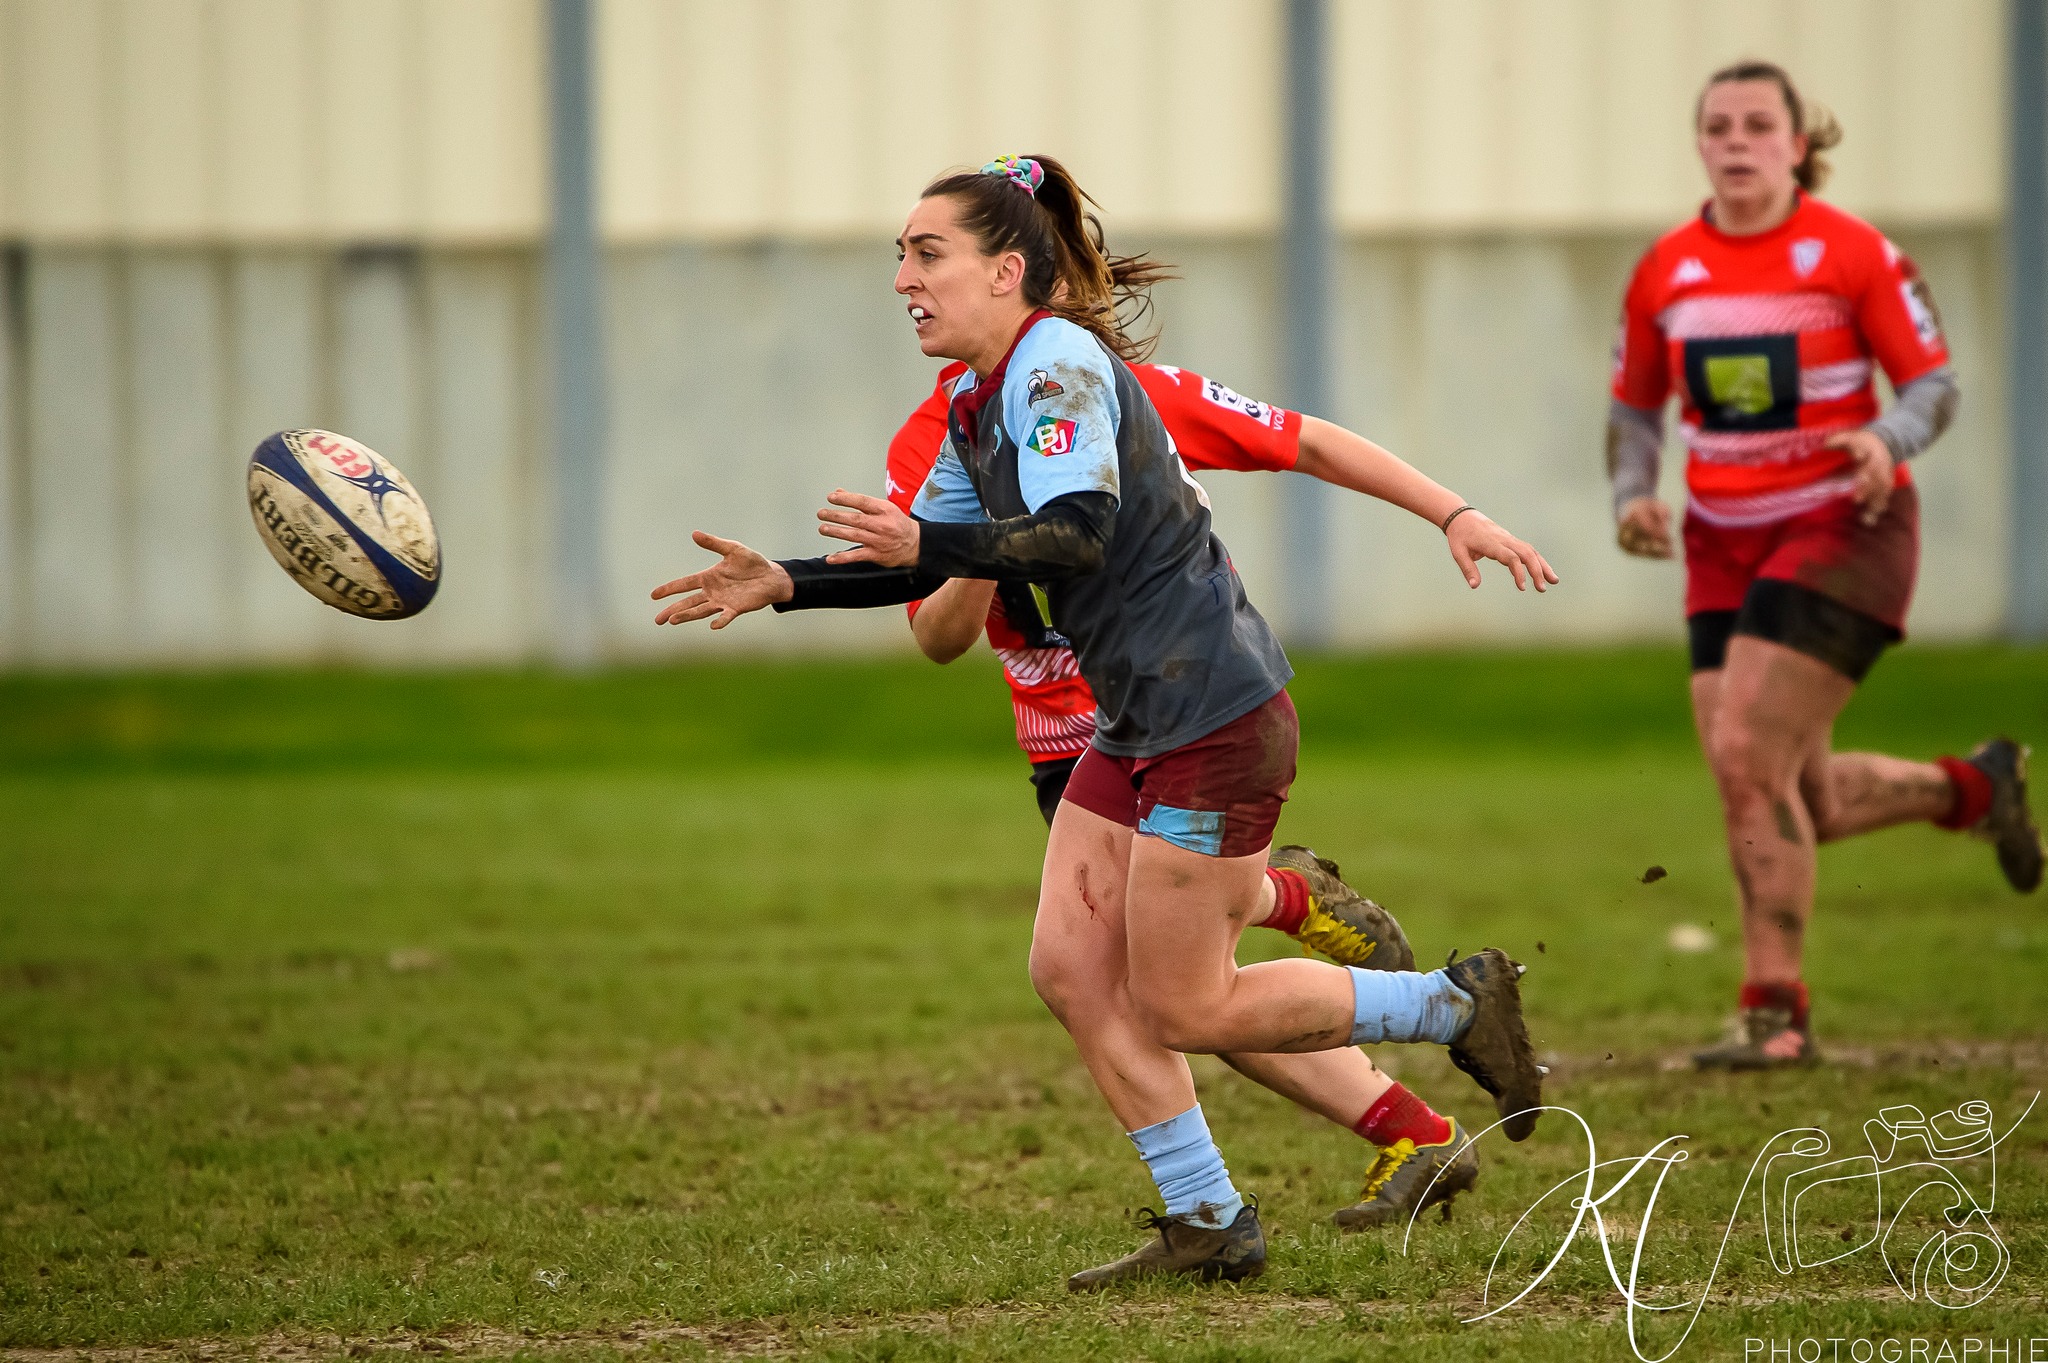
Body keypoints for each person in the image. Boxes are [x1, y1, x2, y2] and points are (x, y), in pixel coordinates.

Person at [653, 154, 1557, 1288]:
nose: (902, 279)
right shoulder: (977, 400)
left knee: (1183, 1002)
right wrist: (786, 581)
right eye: (900, 256)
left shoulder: (1059, 366)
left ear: (1006, 270)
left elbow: (1073, 534)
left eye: (926, 253)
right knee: (1073, 969)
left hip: (1208, 713)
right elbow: (920, 575)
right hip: (1137, 721)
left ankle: (1451, 1001)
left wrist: (928, 545)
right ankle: (1209, 1217)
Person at [888, 358, 1529, 1228]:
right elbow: (937, 636)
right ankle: (1372, 1068)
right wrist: (976, 539)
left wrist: (1454, 512)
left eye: (933, 271)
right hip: (1075, 757)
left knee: (1170, 994)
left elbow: (1305, 440)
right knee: (1149, 989)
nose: (914, 293)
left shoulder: (1117, 387)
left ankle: (1249, 1181)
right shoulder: (940, 438)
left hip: (1179, 716)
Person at [1606, 62, 2043, 1071]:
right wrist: (1632, 492)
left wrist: (1886, 438)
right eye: (1718, 125)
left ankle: (1775, 1014)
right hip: (1720, 547)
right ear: (1699, 143)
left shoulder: (1853, 254)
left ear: (1797, 146)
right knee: (1794, 792)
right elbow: (1634, 407)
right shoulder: (1666, 269)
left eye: (1758, 125)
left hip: (1844, 528)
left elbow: (1932, 386)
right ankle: (1973, 790)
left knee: (1744, 761)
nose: (1736, 141)